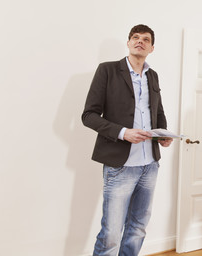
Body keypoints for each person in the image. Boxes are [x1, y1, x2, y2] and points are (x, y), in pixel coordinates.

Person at [82, 24, 173, 256]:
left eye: (145, 39)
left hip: (149, 165)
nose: (139, 41)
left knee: (138, 229)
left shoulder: (152, 75)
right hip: (119, 166)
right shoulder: (108, 70)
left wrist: (163, 134)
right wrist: (123, 132)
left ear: (152, 48)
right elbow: (89, 115)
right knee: (111, 232)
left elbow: (158, 111)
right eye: (135, 37)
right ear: (129, 42)